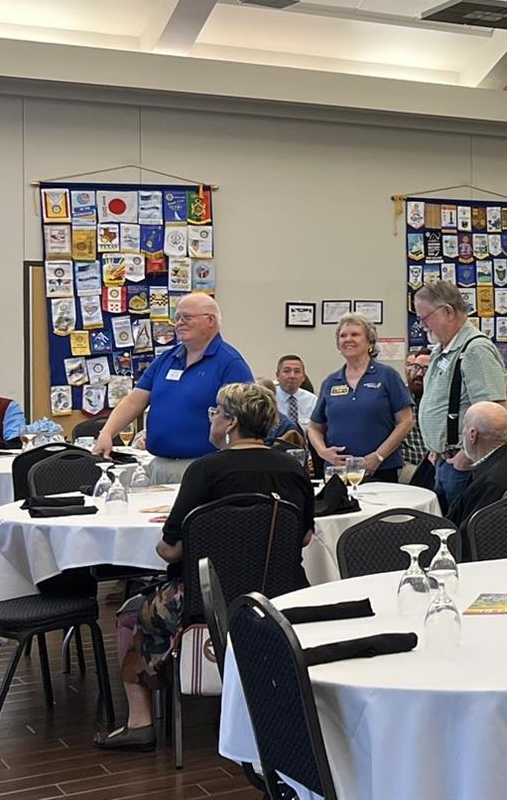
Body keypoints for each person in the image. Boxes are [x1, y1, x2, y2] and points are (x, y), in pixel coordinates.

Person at [96, 383, 314, 751]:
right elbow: (304, 537)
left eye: (215, 412)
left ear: (231, 422)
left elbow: (171, 550)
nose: (211, 418)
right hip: (279, 596)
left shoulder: (205, 470)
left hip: (205, 599)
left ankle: (140, 722)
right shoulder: (293, 468)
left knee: (132, 613)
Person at [94, 293, 254, 484]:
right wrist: (107, 433)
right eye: (177, 317)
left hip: (206, 468)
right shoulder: (166, 359)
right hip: (159, 465)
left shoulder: (230, 363)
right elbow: (133, 402)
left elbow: (246, 419)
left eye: (187, 317)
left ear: (210, 320)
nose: (179, 323)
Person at [411, 279, 507, 509]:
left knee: (460, 527)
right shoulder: (441, 351)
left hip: (463, 465)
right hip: (443, 460)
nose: (422, 325)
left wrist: (464, 456)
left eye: (425, 318)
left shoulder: (476, 350)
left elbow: (495, 413)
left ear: (447, 312)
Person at [307, 313, 415, 484]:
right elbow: (314, 427)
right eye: (343, 335)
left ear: (370, 342)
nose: (348, 339)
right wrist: (323, 452)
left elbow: (406, 421)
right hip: (338, 471)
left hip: (380, 470)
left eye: (355, 334)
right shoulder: (331, 381)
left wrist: (378, 456)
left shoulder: (387, 376)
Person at [397, 348, 435, 487]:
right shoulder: (398, 398)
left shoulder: (441, 401)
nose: (419, 374)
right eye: (416, 367)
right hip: (406, 463)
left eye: (426, 369)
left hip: (435, 462)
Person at [272, 354, 318, 445]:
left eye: (297, 371)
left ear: (303, 377)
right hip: (275, 448)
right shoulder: (270, 399)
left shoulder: (313, 400)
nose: (292, 376)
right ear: (277, 375)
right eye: (287, 371)